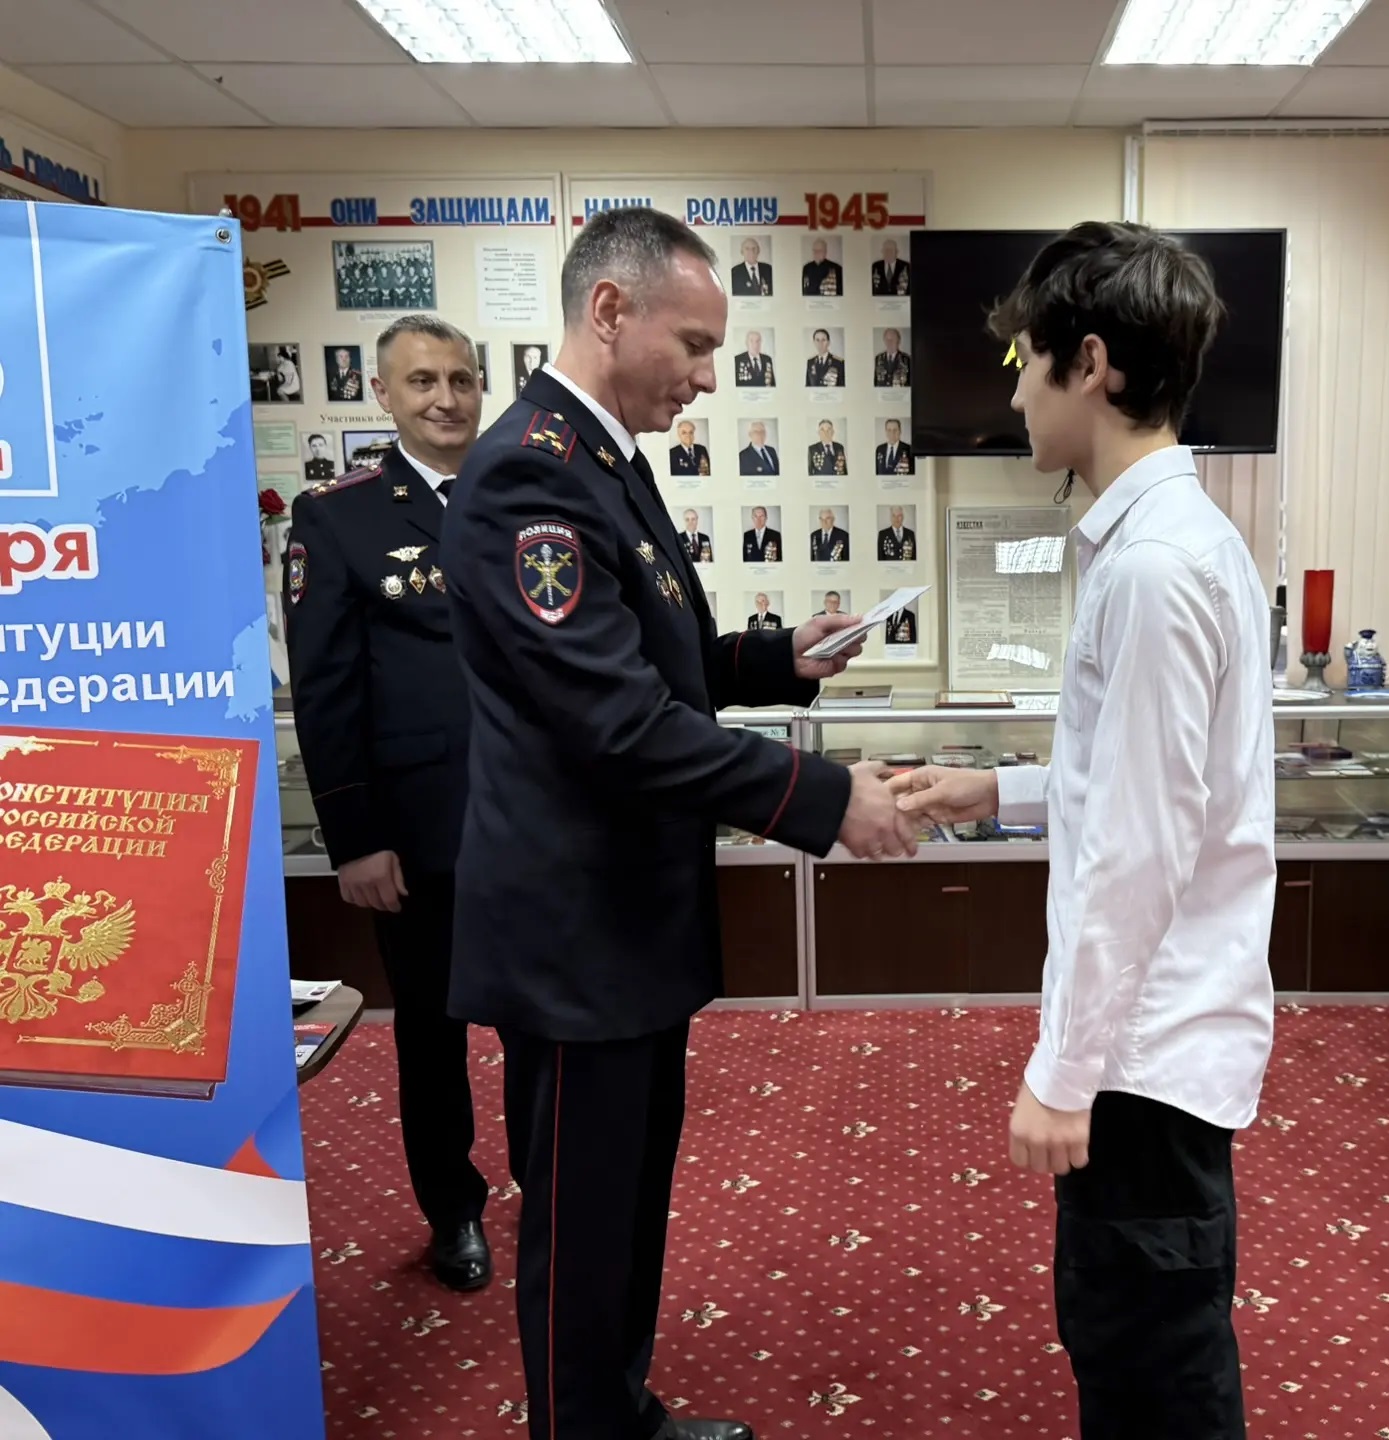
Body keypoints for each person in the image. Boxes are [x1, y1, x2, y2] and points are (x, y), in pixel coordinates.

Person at [441, 206, 918, 1440]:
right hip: (574, 940)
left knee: (626, 1205)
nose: (708, 379)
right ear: (610, 311)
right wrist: (825, 800)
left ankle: (621, 1415)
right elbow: (617, 724)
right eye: (695, 346)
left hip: (625, 925)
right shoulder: (529, 476)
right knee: (579, 1228)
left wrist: (777, 656)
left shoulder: (601, 463)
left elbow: (655, 660)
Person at [889, 221, 1276, 1440]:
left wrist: (1062, 1076)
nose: (1012, 390)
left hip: (1143, 1062)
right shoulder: (1168, 545)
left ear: (1092, 362)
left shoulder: (1156, 569)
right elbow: (1136, 787)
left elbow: (1142, 852)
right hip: (1154, 1044)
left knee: (1151, 1371)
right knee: (1138, 1348)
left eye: (1025, 361)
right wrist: (996, 793)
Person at [283, 314, 493, 1293]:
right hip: (420, 831)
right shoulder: (340, 518)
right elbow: (326, 690)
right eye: (422, 381)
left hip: (537, 827)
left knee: (549, 1023)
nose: (445, 398)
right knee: (432, 1034)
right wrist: (355, 837)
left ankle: (552, 1178)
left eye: (460, 379)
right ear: (382, 395)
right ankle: (453, 1210)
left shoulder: (524, 494)